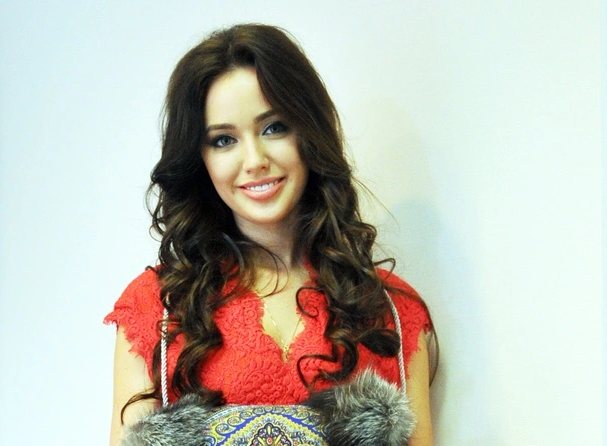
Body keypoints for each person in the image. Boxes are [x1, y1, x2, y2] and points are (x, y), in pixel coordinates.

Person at [105, 23, 436, 445]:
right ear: (199, 158)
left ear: (309, 132)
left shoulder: (391, 312)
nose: (254, 160)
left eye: (274, 127)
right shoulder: (156, 308)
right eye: (223, 140)